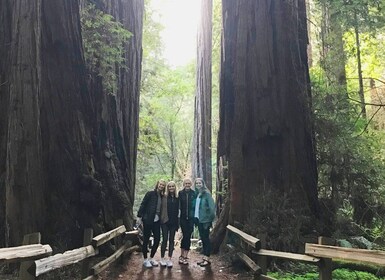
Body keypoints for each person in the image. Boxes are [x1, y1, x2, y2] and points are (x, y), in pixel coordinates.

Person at [137, 180, 166, 268]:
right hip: (148, 219)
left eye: (163, 185)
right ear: (157, 184)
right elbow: (143, 204)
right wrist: (139, 216)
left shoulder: (162, 196)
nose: (161, 186)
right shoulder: (150, 193)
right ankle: (145, 260)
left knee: (157, 239)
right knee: (146, 239)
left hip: (157, 221)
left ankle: (151, 258)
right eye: (160, 184)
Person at [194, 178, 215, 267]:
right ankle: (205, 258)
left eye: (200, 183)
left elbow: (212, 208)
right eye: (197, 183)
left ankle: (207, 258)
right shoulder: (198, 194)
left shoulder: (207, 194)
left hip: (205, 220)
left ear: (203, 184)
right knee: (203, 238)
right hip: (199, 220)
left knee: (206, 239)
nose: (198, 184)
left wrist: (210, 220)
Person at [159, 181, 179, 268]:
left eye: (172, 186)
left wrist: (178, 223)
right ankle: (162, 258)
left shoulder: (177, 198)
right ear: (167, 188)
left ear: (175, 187)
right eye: (169, 186)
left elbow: (179, 211)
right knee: (164, 240)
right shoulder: (164, 197)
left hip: (173, 223)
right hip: (165, 222)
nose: (171, 188)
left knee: (171, 240)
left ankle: (169, 259)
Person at [178, 178, 197, 265]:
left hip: (191, 218)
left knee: (188, 236)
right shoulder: (180, 193)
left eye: (189, 183)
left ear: (191, 184)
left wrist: (195, 217)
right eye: (186, 183)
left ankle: (185, 256)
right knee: (185, 235)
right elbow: (179, 206)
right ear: (183, 184)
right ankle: (181, 255)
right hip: (183, 218)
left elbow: (196, 206)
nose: (187, 185)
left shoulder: (194, 193)